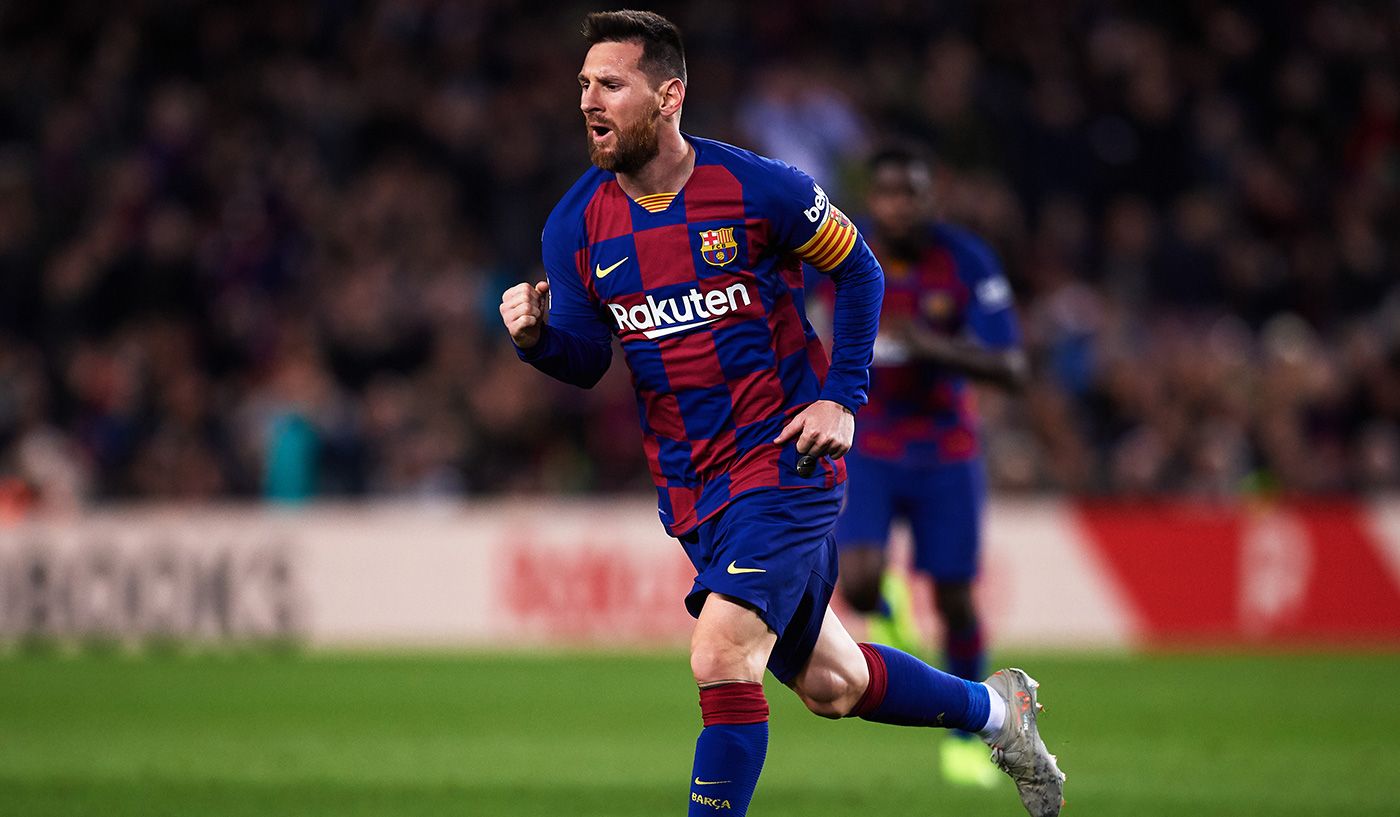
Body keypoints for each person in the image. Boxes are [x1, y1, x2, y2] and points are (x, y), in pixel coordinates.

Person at [498, 11, 1064, 817]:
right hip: (695, 490)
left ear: (668, 96)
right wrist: (535, 339)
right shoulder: (575, 224)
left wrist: (841, 395)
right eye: (583, 83)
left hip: (785, 462)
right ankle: (999, 712)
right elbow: (587, 360)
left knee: (721, 652)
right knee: (835, 685)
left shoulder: (760, 188)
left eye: (610, 83)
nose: (588, 98)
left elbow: (861, 271)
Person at [832, 145, 1030, 788]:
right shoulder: (842, 248)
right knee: (856, 581)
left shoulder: (965, 260)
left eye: (910, 194)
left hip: (946, 450)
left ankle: (972, 732)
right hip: (869, 444)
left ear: (928, 198)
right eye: (886, 195)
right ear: (873, 199)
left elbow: (1012, 367)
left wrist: (932, 347)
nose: (898, 207)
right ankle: (885, 596)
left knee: (953, 600)